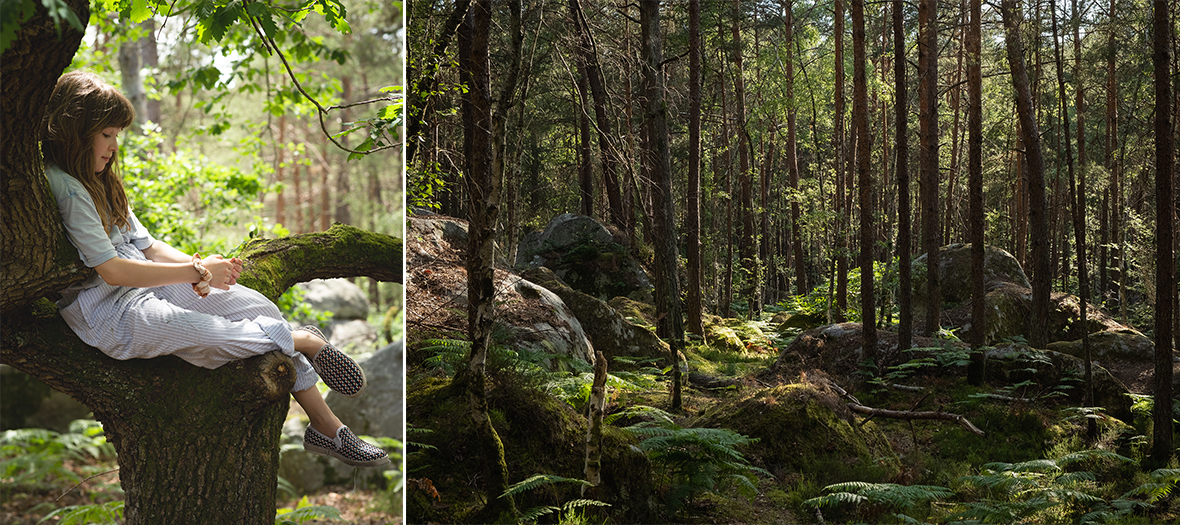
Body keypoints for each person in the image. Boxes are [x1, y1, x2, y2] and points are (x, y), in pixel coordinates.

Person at [41, 70, 389, 468]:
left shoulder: (99, 181)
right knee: (205, 333)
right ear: (75, 129)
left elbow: (148, 246)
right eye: (107, 134)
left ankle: (325, 426)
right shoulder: (64, 186)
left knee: (255, 307)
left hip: (144, 283)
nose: (114, 146)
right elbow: (113, 271)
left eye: (117, 135)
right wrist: (192, 275)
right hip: (108, 310)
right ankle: (306, 342)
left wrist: (202, 268)